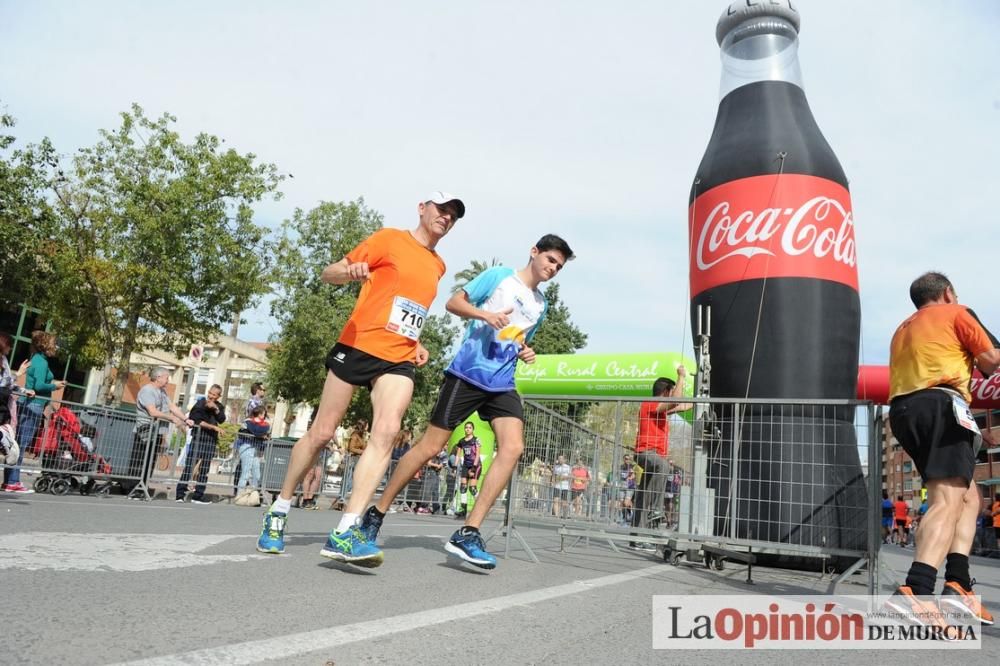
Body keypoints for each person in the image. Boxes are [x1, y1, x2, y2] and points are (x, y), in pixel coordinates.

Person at [256, 191, 464, 564]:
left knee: (387, 431)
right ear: (422, 208)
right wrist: (348, 272)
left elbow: (409, 309)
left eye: (453, 215)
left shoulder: (439, 265)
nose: (446, 217)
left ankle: (345, 530)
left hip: (398, 358)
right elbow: (329, 272)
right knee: (322, 432)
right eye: (441, 209)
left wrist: (415, 342)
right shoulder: (389, 239)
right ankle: (279, 511)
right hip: (358, 345)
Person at [363, 234, 575, 569]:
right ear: (534, 252)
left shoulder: (541, 304)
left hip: (502, 382)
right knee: (430, 448)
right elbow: (453, 304)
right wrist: (484, 315)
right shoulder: (499, 277)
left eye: (559, 267)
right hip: (467, 373)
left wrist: (525, 349)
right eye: (550, 260)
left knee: (513, 447)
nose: (553, 269)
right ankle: (375, 514)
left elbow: (517, 338)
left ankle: (469, 531)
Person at [884, 272, 999, 628]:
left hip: (904, 410)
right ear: (948, 292)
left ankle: (958, 583)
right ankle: (916, 590)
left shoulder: (904, 328)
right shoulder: (957, 312)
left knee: (969, 499)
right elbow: (990, 361)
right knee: (947, 500)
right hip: (941, 404)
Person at [629, 371, 690, 551]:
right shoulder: (651, 403)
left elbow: (683, 405)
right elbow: (676, 402)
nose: (673, 394)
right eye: (671, 392)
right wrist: (681, 377)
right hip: (646, 453)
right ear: (665, 392)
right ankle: (657, 508)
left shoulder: (660, 410)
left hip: (654, 456)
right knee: (663, 465)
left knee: (644, 493)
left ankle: (637, 537)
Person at [5, 331, 66, 493]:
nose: (56, 347)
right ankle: (13, 481)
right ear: (45, 345)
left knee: (18, 444)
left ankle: (10, 480)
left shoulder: (38, 359)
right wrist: (55, 386)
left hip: (31, 404)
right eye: (54, 344)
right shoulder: (41, 362)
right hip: (34, 405)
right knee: (21, 444)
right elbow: (39, 386)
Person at [125, 367, 193, 498]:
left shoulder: (162, 392)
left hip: (156, 431)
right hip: (144, 430)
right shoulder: (147, 391)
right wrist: (172, 418)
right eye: (167, 378)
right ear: (158, 377)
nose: (168, 381)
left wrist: (185, 419)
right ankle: (133, 488)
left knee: (150, 461)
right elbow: (152, 411)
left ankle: (143, 486)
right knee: (139, 460)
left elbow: (172, 407)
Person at [176, 384, 225, 504]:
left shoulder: (219, 406)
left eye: (214, 395)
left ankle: (198, 496)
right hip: (198, 438)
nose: (211, 396)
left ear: (219, 396)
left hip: (211, 441)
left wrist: (216, 409)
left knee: (204, 469)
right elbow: (197, 420)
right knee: (189, 467)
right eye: (210, 393)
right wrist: (213, 427)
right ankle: (180, 495)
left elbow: (222, 419)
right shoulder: (200, 403)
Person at [0, 333, 34, 473]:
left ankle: (3, 437)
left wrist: (23, 390)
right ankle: (3, 437)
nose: (11, 348)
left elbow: (7, 383)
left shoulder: (4, 360)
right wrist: (19, 374)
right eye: (9, 345)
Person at [234, 406, 270, 501]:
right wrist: (260, 435)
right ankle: (240, 495)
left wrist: (261, 439)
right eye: (263, 413)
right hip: (246, 446)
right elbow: (247, 432)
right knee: (245, 473)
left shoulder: (265, 424)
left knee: (257, 474)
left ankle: (253, 495)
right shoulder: (248, 422)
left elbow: (263, 433)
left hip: (256, 449)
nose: (264, 415)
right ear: (259, 413)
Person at [453, 421, 482, 518]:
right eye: (466, 427)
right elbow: (458, 455)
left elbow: (477, 454)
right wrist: (454, 466)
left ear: (473, 429)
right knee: (463, 487)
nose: (467, 429)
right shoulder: (461, 441)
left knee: (472, 488)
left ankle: (480, 509)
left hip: (475, 465)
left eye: (469, 427)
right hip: (465, 465)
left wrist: (473, 468)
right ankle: (463, 510)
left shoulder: (476, 440)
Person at [551, 454, 571, 519]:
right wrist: (553, 482)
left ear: (564, 460)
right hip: (557, 486)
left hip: (565, 487)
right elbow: (554, 476)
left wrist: (562, 478)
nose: (560, 460)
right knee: (555, 500)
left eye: (561, 459)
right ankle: (556, 516)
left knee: (563, 503)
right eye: (559, 458)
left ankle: (565, 515)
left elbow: (570, 476)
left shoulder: (568, 467)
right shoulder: (556, 467)